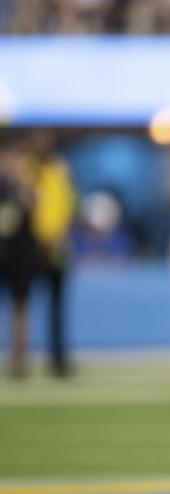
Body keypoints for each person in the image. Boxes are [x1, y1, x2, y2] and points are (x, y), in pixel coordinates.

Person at [26, 131, 75, 377]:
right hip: (29, 246)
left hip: (56, 245)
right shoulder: (27, 170)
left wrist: (58, 237)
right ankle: (21, 357)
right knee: (21, 303)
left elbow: (67, 207)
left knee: (57, 305)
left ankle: (58, 359)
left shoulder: (59, 170)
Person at [0, 144, 38, 378]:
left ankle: (19, 357)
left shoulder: (24, 189)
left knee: (20, 307)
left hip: (19, 258)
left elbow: (33, 207)